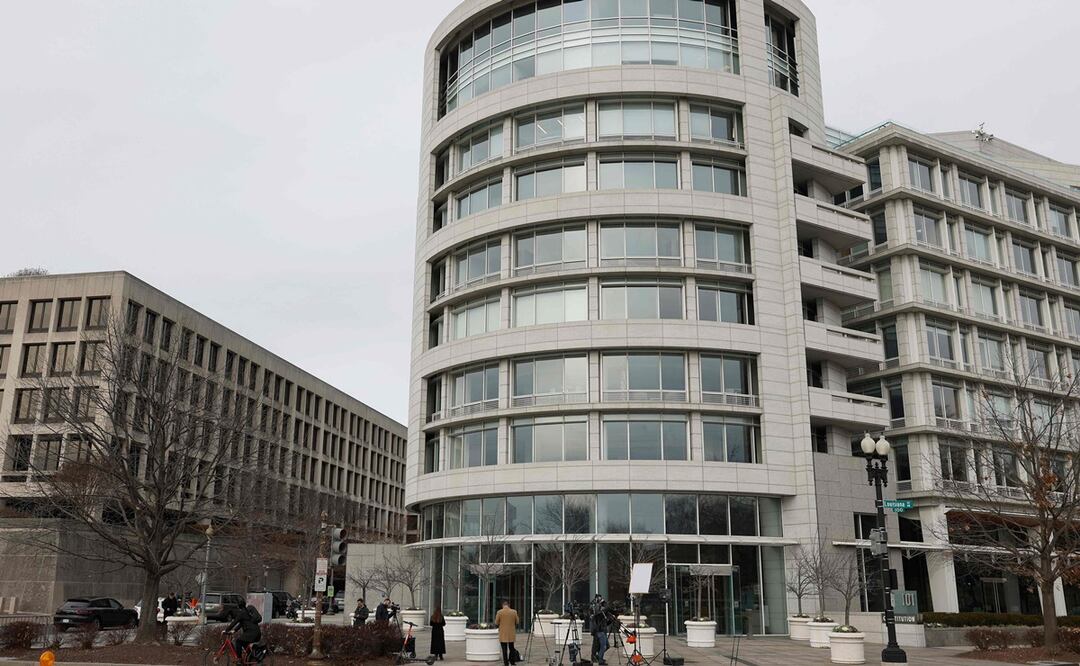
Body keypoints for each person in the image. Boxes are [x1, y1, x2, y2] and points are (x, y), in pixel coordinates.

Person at [494, 600, 519, 666]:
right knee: (512, 648)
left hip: (503, 633)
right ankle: (512, 662)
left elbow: (496, 622)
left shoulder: (499, 612)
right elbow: (517, 622)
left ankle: (506, 663)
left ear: (503, 605)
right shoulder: (514, 612)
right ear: (509, 605)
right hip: (511, 633)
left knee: (504, 649)